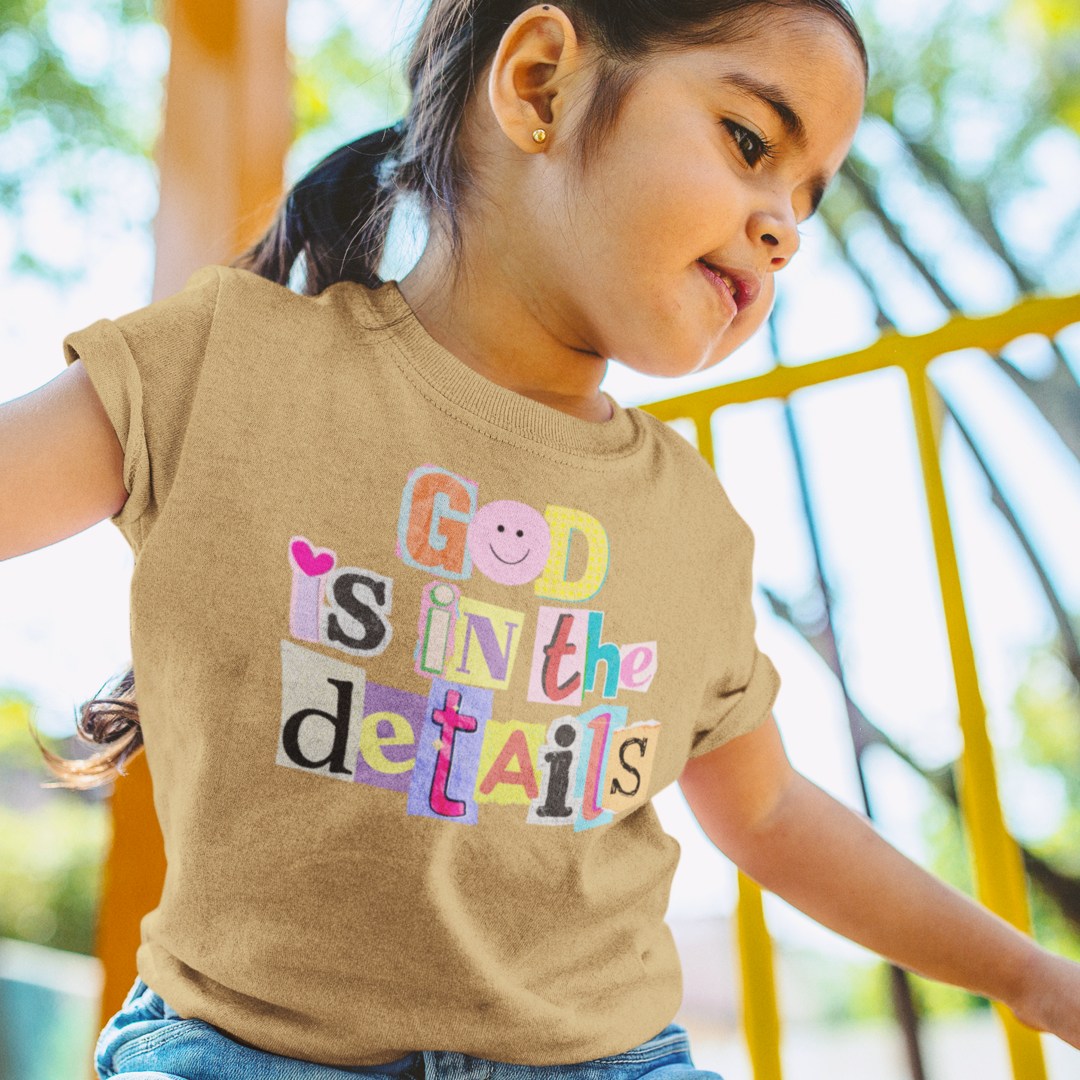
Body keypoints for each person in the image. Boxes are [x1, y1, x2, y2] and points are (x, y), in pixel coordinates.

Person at [3, 1, 1080, 1077]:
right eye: (752, 143)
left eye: (806, 199)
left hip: (607, 1059)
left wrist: (1037, 979)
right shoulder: (227, 367)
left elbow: (774, 811)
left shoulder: (691, 523)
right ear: (539, 83)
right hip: (250, 1051)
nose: (785, 225)